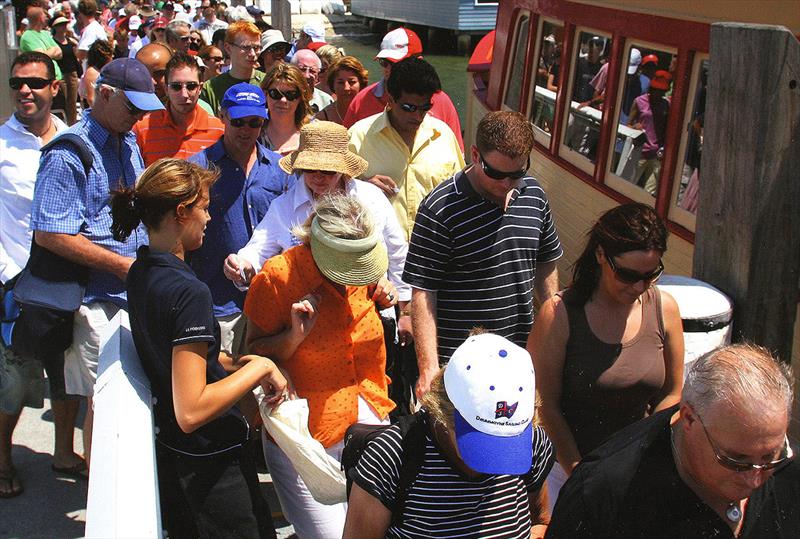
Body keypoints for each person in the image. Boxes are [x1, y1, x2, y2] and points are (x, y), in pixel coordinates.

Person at [114, 158, 285, 538]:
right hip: (212, 464)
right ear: (181, 212)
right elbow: (191, 409)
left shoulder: (141, 271)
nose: (209, 218)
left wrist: (240, 362)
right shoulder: (189, 292)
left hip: (177, 457)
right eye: (204, 208)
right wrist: (260, 370)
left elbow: (186, 360)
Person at [29, 57, 163, 468]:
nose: (139, 117)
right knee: (104, 404)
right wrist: (123, 267)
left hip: (127, 294)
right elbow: (49, 233)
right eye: (132, 107)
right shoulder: (68, 154)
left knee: (125, 400)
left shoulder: (125, 141)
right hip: (96, 299)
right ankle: (105, 497)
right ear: (104, 94)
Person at [243, 192, 397, 538]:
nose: (353, 277)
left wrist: (384, 292)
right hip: (307, 443)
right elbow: (249, 353)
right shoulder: (279, 277)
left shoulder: (359, 269)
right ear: (315, 245)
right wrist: (294, 337)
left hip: (370, 428)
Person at [546, 343, 798, 538]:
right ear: (688, 418)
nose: (754, 479)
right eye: (735, 460)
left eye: (770, 457)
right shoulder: (601, 495)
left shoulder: (790, 472)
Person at [529, 203, 684, 511]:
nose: (639, 287)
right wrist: (582, 473)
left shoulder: (664, 308)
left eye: (651, 275)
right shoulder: (560, 315)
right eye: (627, 275)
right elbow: (544, 403)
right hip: (567, 471)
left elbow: (673, 393)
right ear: (601, 255)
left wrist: (642, 452)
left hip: (635, 471)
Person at [403, 111, 561, 398]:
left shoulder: (535, 196)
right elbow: (424, 292)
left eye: (516, 173)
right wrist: (428, 368)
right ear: (475, 155)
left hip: (519, 360)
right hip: (460, 367)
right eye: (495, 173)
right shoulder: (440, 209)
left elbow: (546, 262)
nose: (506, 184)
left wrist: (555, 326)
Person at [344, 332, 554, 539]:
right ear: (443, 410)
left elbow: (539, 522)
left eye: (508, 442)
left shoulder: (532, 443)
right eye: (483, 442)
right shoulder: (392, 456)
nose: (494, 464)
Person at [225, 121, 410, 338]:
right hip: (307, 325)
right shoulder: (284, 206)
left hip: (370, 319)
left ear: (342, 169)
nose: (318, 177)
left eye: (328, 171)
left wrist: (405, 311)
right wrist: (242, 265)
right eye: (310, 169)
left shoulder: (372, 199)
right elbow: (258, 249)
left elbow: (398, 254)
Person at [0, 52, 82, 499]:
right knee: (13, 380)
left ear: (54, 88)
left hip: (65, 282)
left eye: (34, 82)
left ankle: (64, 452)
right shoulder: (0, 145)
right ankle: (3, 458)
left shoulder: (72, 141)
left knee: (65, 372)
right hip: (13, 283)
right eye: (17, 83)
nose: (24, 90)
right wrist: (8, 275)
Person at [187, 83, 294, 369]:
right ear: (222, 116)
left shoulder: (281, 170)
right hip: (219, 303)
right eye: (237, 122)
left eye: (254, 123)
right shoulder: (197, 168)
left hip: (271, 301)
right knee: (223, 385)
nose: (245, 130)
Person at [348, 56, 465, 240]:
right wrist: (362, 188)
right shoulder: (357, 137)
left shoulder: (444, 136)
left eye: (425, 107)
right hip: (380, 254)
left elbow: (461, 195)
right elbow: (335, 196)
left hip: (435, 253)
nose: (418, 116)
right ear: (391, 99)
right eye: (409, 107)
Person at [342, 27, 464, 151]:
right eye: (384, 62)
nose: (389, 69)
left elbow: (457, 152)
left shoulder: (442, 101)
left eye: (397, 64)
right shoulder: (361, 101)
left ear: (418, 62)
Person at [134, 52, 224, 165]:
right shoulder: (142, 129)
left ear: (200, 88)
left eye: (191, 86)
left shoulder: (219, 131)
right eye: (176, 86)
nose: (184, 94)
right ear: (166, 89)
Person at [201, 20, 265, 114]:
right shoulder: (211, 88)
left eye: (256, 48)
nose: (252, 54)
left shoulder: (268, 82)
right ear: (228, 48)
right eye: (246, 48)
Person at [627, 70, 672, 196]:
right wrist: (634, 127)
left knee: (649, 192)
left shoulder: (666, 105)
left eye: (661, 91)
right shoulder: (639, 101)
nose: (658, 93)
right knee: (629, 184)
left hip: (657, 154)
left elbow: (668, 129)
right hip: (640, 151)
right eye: (656, 90)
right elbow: (628, 124)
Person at [259, 63, 313, 155]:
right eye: (275, 94)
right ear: (265, 94)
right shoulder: (254, 131)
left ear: (300, 97)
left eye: (291, 95)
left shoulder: (314, 134)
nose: (283, 100)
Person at [316, 56, 367, 125]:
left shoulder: (371, 111)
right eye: (340, 82)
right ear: (333, 84)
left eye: (352, 82)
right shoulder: (322, 118)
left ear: (361, 83)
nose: (346, 88)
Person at [19, 6, 64, 83]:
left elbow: (60, 53)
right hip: (44, 81)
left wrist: (48, 52)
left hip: (58, 78)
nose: (47, 18)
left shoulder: (45, 33)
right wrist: (53, 50)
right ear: (40, 18)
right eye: (44, 16)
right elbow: (41, 57)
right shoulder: (28, 36)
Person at [51, 16, 81, 125]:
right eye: (60, 25)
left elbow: (76, 56)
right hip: (61, 75)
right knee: (64, 100)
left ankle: (72, 124)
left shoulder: (70, 41)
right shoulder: (52, 42)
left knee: (72, 102)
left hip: (72, 73)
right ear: (55, 27)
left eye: (65, 24)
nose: (64, 26)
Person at [291, 49, 332, 114]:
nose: (307, 76)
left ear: (318, 75)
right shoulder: (281, 99)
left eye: (312, 71)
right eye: (302, 69)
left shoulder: (326, 101)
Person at [78, 38, 113, 107]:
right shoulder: (92, 72)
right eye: (111, 55)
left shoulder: (105, 70)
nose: (112, 57)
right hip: (96, 112)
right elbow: (91, 99)